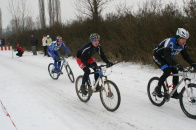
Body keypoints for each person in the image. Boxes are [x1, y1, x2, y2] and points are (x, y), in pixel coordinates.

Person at [153, 28, 196, 99]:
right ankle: (158, 88)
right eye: (183, 39)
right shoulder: (170, 42)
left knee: (176, 71)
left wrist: (192, 63)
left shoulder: (183, 45)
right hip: (158, 57)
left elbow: (185, 56)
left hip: (167, 58)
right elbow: (167, 57)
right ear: (178, 38)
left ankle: (174, 93)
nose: (185, 41)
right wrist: (176, 65)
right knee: (167, 71)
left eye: (186, 39)